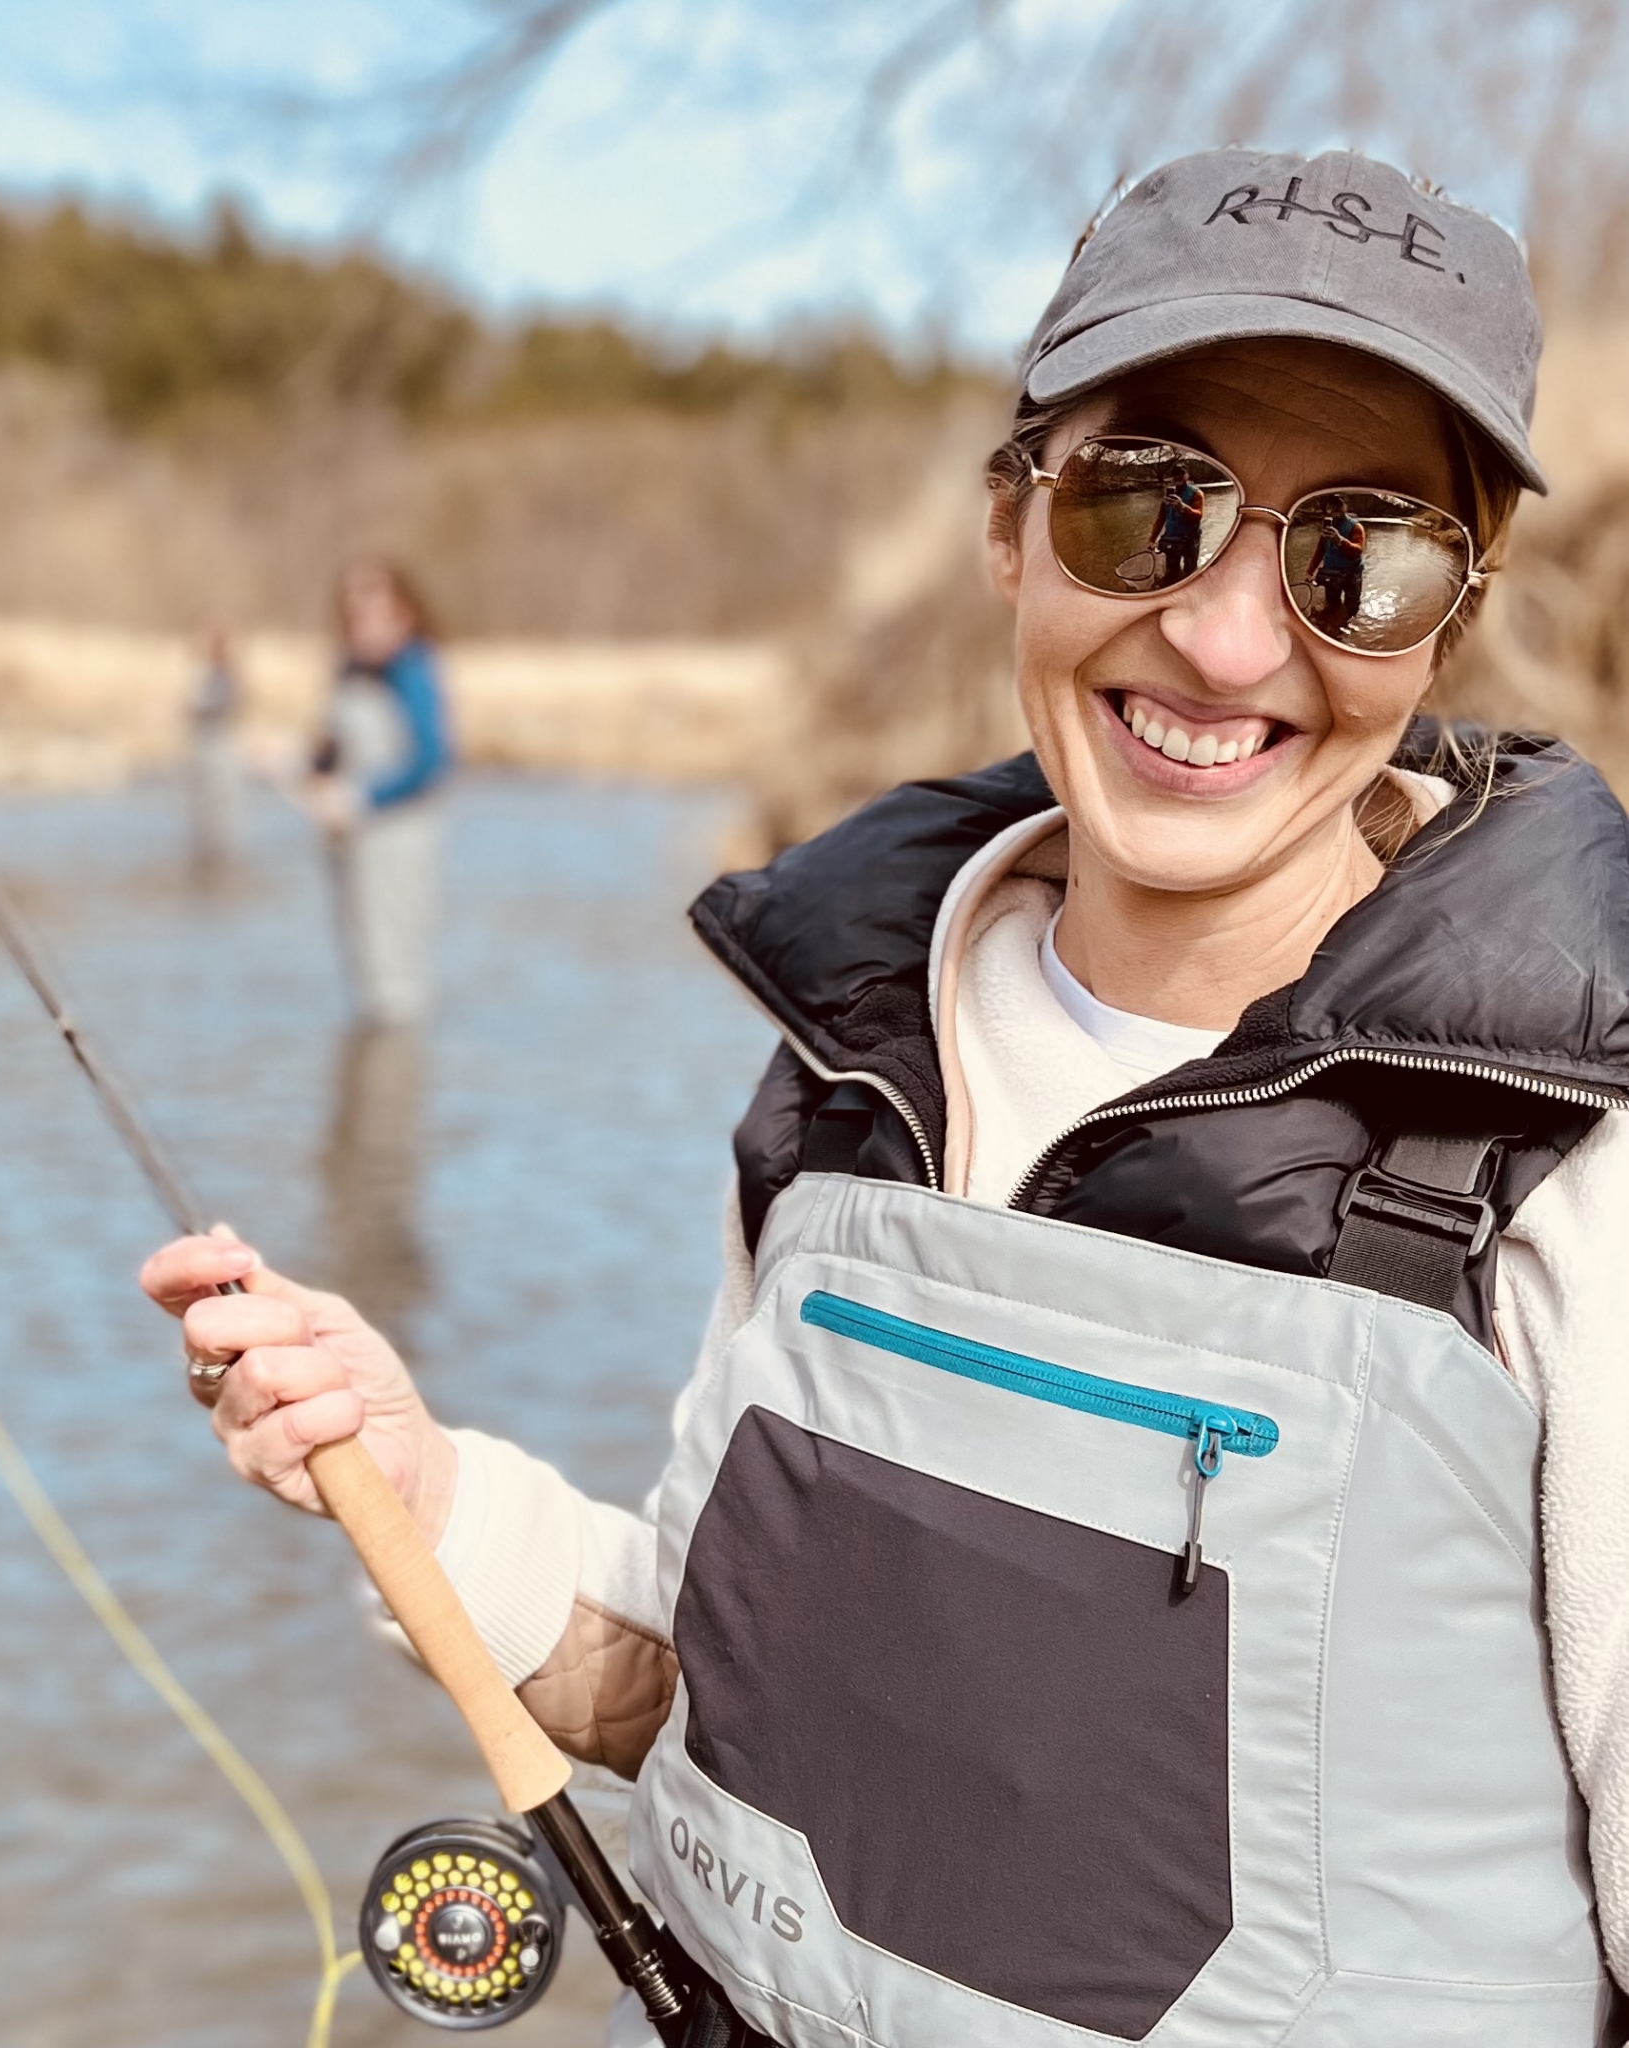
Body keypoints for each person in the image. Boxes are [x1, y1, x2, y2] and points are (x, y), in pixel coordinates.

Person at [144, 149, 1629, 2048]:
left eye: (1361, 555)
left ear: (1448, 620)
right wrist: (421, 1487)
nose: (1226, 641)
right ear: (1010, 526)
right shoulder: (841, 1072)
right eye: (1142, 506)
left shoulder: (1579, 1168)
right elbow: (703, 1700)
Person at [301, 560, 453, 1026]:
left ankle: (397, 1060)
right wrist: (302, 763)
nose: (361, 625)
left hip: (399, 836)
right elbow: (331, 748)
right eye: (352, 615)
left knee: (395, 974)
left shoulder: (412, 669)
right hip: (348, 841)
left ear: (404, 615)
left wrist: (363, 798)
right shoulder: (346, 670)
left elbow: (431, 760)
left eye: (374, 613)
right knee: (362, 962)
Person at [185, 626, 243, 872]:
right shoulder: (203, 674)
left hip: (220, 747)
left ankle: (220, 860)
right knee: (203, 808)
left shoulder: (227, 676)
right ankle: (207, 860)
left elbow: (232, 706)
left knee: (222, 810)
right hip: (204, 746)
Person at [1306, 490, 1369, 631]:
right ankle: (1333, 630)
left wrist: (1340, 541)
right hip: (1331, 574)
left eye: (1338, 505)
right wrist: (1309, 571)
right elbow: (1320, 551)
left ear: (1345, 507)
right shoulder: (1327, 527)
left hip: (1351, 575)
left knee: (1352, 607)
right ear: (1327, 508)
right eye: (1331, 505)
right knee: (1332, 604)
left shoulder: (1356, 527)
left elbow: (1358, 550)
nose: (1334, 509)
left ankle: (1348, 632)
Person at [1147, 461, 1207, 585]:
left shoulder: (1196, 493)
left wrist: (1182, 507)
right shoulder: (1168, 494)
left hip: (1190, 540)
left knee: (1190, 571)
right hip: (1171, 540)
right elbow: (1160, 519)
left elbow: (1198, 516)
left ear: (1187, 475)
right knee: (1171, 572)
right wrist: (1152, 539)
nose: (1178, 476)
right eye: (1175, 474)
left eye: (1181, 473)